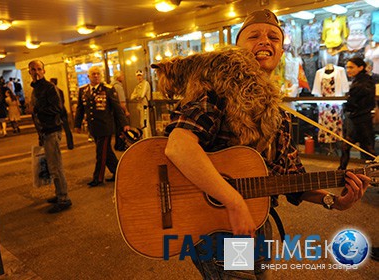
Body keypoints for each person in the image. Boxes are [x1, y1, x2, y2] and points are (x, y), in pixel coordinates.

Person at [153, 9, 371, 279]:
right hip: (218, 225)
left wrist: (333, 200)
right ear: (237, 48)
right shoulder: (215, 90)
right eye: (253, 36)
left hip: (256, 218)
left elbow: (290, 178)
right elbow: (178, 146)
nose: (265, 41)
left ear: (280, 53)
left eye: (274, 38)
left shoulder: (276, 114)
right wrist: (233, 200)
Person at [74, 66, 129, 187]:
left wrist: (124, 123)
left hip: (105, 127)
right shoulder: (83, 90)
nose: (96, 76)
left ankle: (98, 177)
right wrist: (77, 125)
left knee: (100, 153)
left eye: (98, 74)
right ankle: (118, 171)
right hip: (93, 128)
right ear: (88, 76)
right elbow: (80, 109)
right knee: (106, 152)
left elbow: (117, 108)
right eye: (93, 74)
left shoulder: (108, 89)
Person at [29, 60, 72, 214]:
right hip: (45, 131)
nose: (36, 72)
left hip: (52, 130)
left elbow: (57, 108)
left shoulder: (49, 88)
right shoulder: (36, 89)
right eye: (33, 69)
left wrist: (37, 108)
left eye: (39, 69)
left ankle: (64, 198)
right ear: (29, 72)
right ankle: (59, 193)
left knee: (55, 166)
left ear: (44, 71)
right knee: (52, 165)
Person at [338, 57, 376, 170]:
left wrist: (348, 105)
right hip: (358, 121)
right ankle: (341, 171)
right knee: (346, 147)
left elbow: (357, 102)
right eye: (347, 67)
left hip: (362, 122)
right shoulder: (361, 81)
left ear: (361, 67)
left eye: (351, 67)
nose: (348, 70)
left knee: (369, 152)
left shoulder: (364, 82)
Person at [50, 78, 74, 150]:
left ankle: (56, 146)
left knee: (55, 131)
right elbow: (62, 101)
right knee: (67, 129)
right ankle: (70, 145)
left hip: (57, 113)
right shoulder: (60, 91)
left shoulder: (51, 92)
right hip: (62, 111)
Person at [111, 70, 130, 151]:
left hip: (113, 111)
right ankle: (121, 145)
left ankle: (117, 145)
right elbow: (122, 102)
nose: (123, 77)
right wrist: (126, 111)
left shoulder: (112, 86)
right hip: (119, 111)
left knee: (117, 129)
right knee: (122, 128)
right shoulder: (119, 87)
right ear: (118, 77)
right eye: (122, 75)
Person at [130, 70, 151, 138]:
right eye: (138, 76)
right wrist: (137, 95)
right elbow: (131, 97)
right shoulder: (138, 85)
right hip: (140, 105)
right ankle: (146, 137)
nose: (139, 77)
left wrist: (137, 95)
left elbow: (142, 95)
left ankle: (147, 138)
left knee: (144, 123)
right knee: (142, 123)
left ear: (143, 75)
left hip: (144, 105)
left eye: (140, 75)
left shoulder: (145, 83)